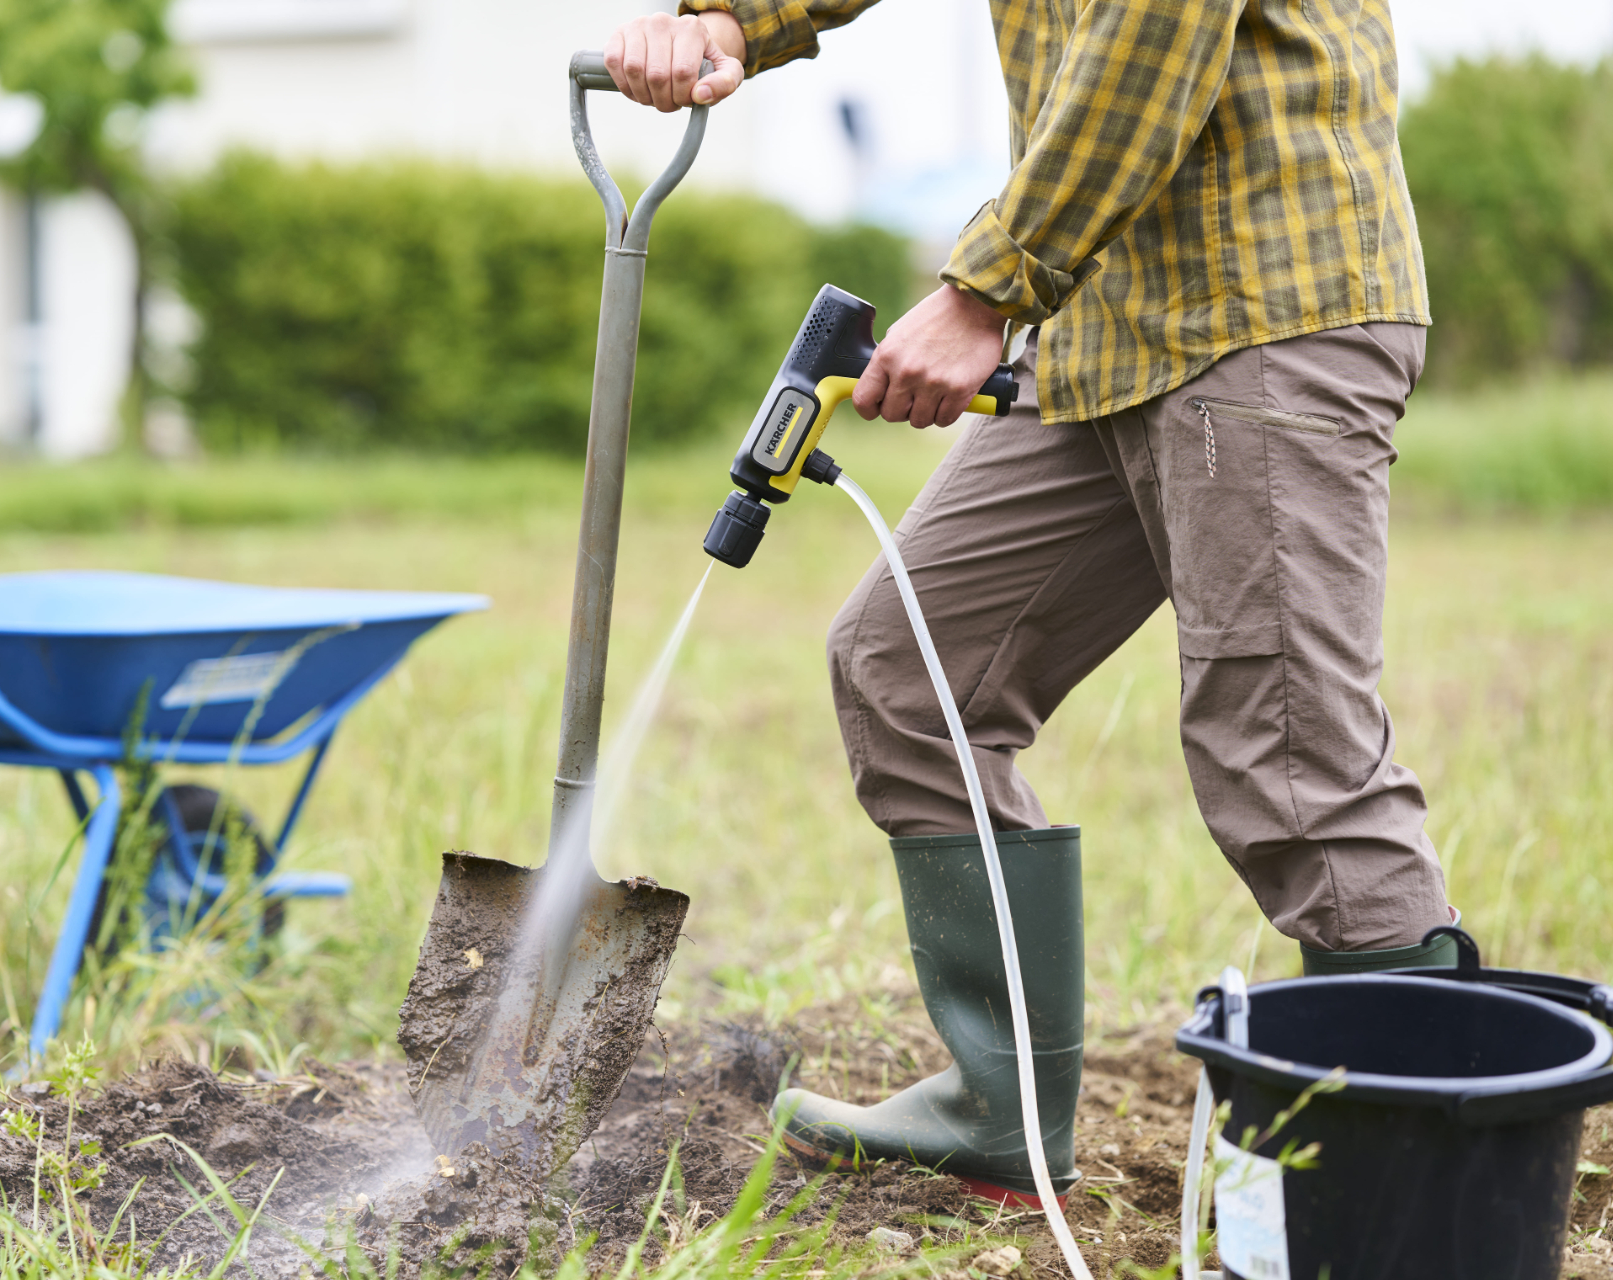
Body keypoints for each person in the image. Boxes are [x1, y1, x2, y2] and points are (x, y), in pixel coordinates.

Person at [602, 0, 1456, 1207]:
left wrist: (981, 292)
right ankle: (1002, 1105)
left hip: (1264, 304)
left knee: (1287, 753)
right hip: (1101, 328)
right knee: (909, 666)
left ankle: (1422, 1172)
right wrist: (734, 18)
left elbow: (1154, 31)